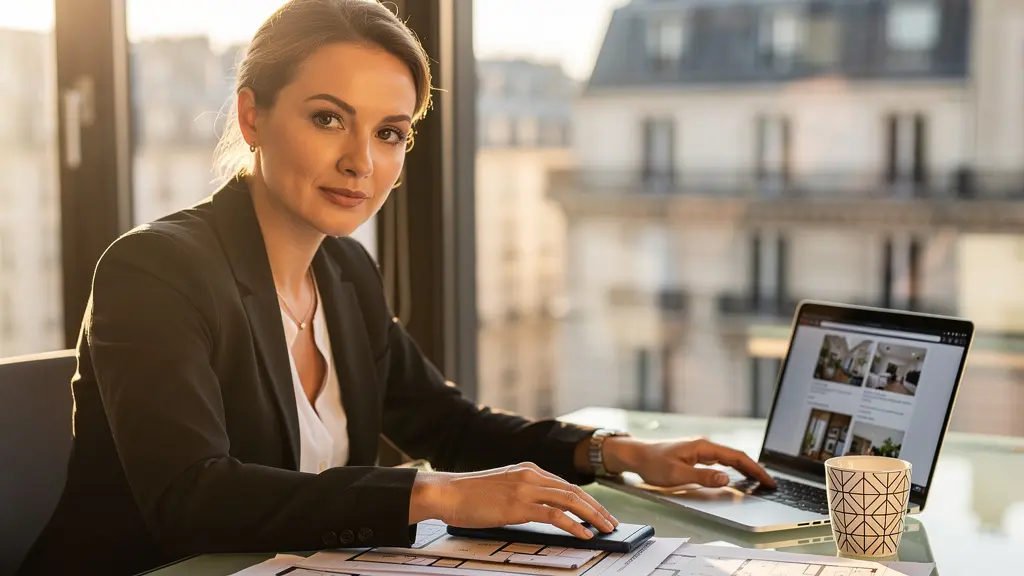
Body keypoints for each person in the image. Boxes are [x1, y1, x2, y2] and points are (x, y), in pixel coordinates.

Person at [19, 1, 774, 574]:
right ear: (252, 115)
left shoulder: (346, 273)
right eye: (327, 119)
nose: (362, 162)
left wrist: (623, 453)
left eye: (389, 132)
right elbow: (192, 499)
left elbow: (449, 425)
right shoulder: (154, 270)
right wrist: (435, 495)